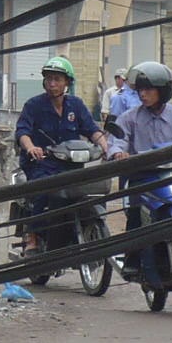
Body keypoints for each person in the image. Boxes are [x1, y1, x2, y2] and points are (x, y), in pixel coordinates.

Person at [107, 61, 172, 285]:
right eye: (140, 90)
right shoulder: (130, 117)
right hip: (143, 178)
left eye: (149, 90)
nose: (143, 94)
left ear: (163, 91)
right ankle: (133, 259)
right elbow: (117, 140)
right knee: (134, 214)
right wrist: (118, 154)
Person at [14, 56, 110, 253]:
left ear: (67, 82)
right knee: (42, 192)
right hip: (41, 164)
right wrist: (31, 147)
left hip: (72, 164)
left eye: (57, 79)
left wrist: (104, 146)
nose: (52, 83)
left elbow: (92, 129)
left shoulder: (76, 105)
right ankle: (32, 235)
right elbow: (22, 132)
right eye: (49, 79)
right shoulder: (34, 105)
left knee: (91, 191)